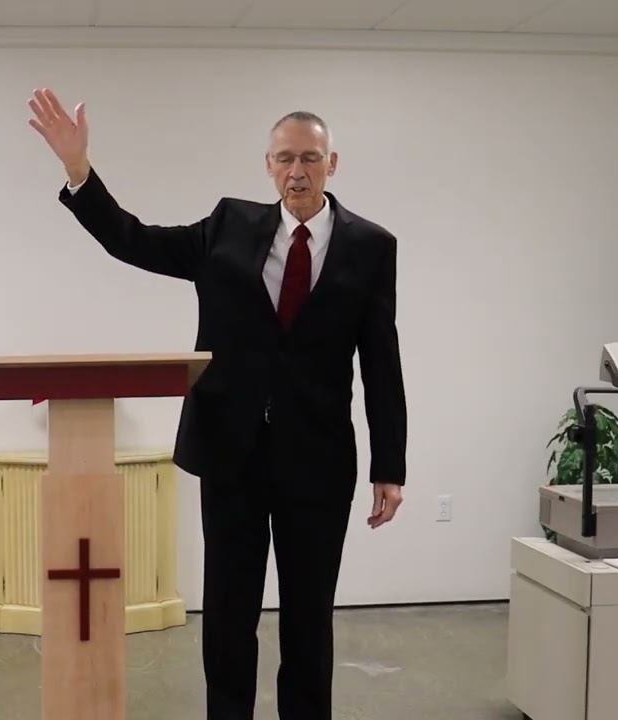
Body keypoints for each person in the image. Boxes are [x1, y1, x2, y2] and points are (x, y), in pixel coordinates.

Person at [27, 88, 408, 719]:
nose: (297, 171)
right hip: (233, 454)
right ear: (268, 165)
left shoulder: (371, 246)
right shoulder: (228, 226)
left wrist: (389, 466)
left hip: (318, 460)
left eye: (310, 158)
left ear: (332, 163)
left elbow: (381, 360)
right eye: (285, 158)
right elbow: (132, 239)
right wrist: (78, 169)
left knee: (309, 616)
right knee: (229, 614)